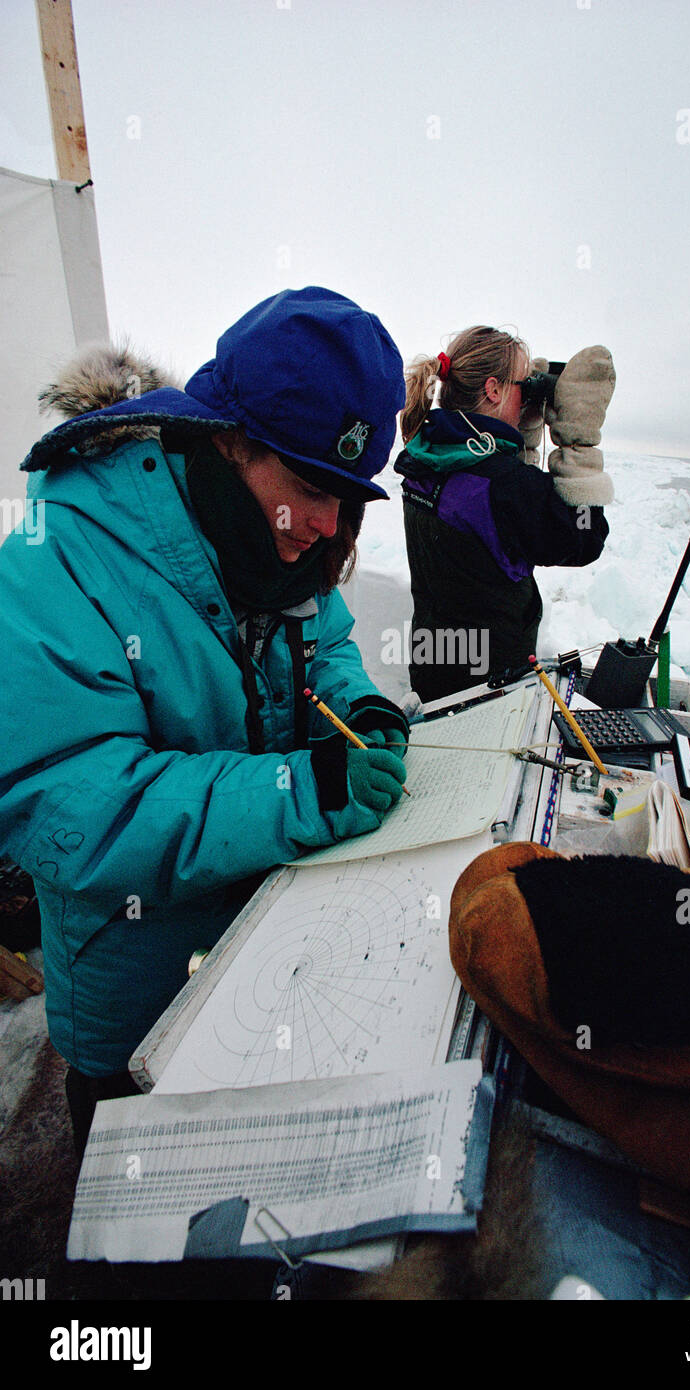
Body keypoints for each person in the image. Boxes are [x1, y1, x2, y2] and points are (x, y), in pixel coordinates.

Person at [0, 287, 411, 1155]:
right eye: (309, 487)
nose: (330, 527)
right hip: (138, 1013)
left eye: (350, 497)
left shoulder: (280, 534)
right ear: (228, 441)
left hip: (273, 961)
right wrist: (300, 791)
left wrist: (356, 706)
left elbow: (322, 639)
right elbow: (69, 803)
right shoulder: (62, 552)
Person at [395, 326, 614, 702]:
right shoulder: (504, 485)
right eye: (521, 385)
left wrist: (523, 439)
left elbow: (502, 520)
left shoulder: (425, 455)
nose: (527, 393)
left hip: (434, 660)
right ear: (494, 390)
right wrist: (578, 443)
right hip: (491, 682)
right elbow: (583, 538)